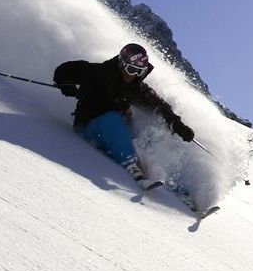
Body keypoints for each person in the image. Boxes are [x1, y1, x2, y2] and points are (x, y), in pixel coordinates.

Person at [53, 42, 194, 183]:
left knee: (141, 132)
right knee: (112, 118)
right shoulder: (98, 73)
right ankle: (131, 164)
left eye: (140, 71)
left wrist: (176, 124)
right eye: (132, 69)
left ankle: (169, 183)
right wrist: (65, 85)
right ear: (122, 63)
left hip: (115, 132)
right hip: (89, 125)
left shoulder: (135, 89)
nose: (134, 75)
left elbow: (159, 106)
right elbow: (65, 70)